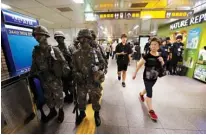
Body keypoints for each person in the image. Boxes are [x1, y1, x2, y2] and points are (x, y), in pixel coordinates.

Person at [30, 25, 70, 123]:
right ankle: (52, 111)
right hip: (44, 79)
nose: (37, 37)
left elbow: (64, 63)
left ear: (45, 36)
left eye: (40, 35)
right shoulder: (36, 51)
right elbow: (34, 65)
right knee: (48, 97)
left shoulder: (54, 50)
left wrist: (62, 73)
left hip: (55, 79)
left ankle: (61, 111)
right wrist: (31, 75)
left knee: (58, 97)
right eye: (35, 35)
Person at [72, 29, 106, 126]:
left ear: (89, 39)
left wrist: (98, 67)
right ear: (79, 40)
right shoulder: (75, 54)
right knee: (81, 99)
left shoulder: (95, 52)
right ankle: (82, 113)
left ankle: (96, 114)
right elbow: (73, 67)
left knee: (95, 99)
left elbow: (102, 63)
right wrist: (76, 74)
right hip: (81, 82)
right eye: (81, 38)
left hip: (93, 81)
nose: (84, 40)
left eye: (86, 38)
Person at [132, 37, 164, 121]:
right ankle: (151, 110)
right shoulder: (147, 56)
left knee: (147, 88)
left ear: (158, 46)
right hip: (146, 77)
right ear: (150, 46)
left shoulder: (160, 56)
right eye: (152, 44)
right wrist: (135, 73)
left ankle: (141, 94)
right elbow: (139, 65)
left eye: (155, 45)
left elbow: (162, 66)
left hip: (155, 78)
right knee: (149, 92)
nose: (153, 46)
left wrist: (162, 61)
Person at [54, 31, 74, 103]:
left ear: (63, 38)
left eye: (60, 38)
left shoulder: (69, 48)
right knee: (64, 86)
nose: (59, 39)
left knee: (70, 85)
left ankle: (72, 96)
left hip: (69, 70)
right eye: (57, 38)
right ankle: (67, 95)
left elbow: (73, 59)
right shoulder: (55, 49)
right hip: (61, 71)